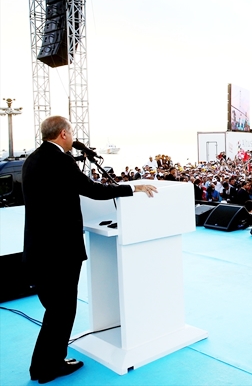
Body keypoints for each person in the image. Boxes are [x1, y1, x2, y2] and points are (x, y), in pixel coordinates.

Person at [22, 116, 158, 384]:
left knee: (54, 312)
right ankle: (49, 367)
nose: (73, 137)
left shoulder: (33, 160)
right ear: (63, 134)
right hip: (60, 252)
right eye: (71, 132)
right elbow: (91, 190)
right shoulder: (60, 159)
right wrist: (132, 188)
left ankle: (42, 366)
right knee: (62, 313)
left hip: (39, 249)